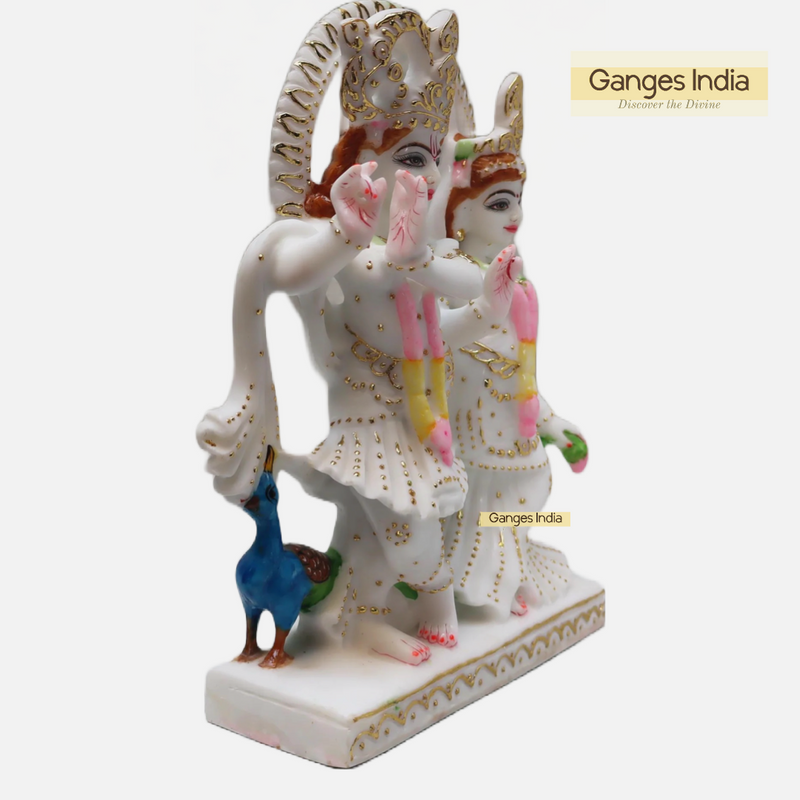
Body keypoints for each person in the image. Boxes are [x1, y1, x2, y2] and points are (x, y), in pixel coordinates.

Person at [198, 7, 521, 664]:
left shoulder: (412, 258)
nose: (429, 179)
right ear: (362, 163)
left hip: (415, 426)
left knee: (393, 544)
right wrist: (346, 232)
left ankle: (370, 619)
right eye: (412, 159)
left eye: (435, 159)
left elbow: (434, 327)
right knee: (410, 543)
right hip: (369, 431)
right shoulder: (348, 257)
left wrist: (488, 307)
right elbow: (290, 266)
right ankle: (399, 610)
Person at [438, 74, 589, 619]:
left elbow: (521, 367)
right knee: (476, 508)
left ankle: (511, 573)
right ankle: (478, 588)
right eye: (500, 204)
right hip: (469, 427)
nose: (516, 217)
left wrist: (550, 420)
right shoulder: (451, 278)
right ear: (459, 213)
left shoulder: (519, 284)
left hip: (513, 424)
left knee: (527, 490)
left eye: (519, 202)